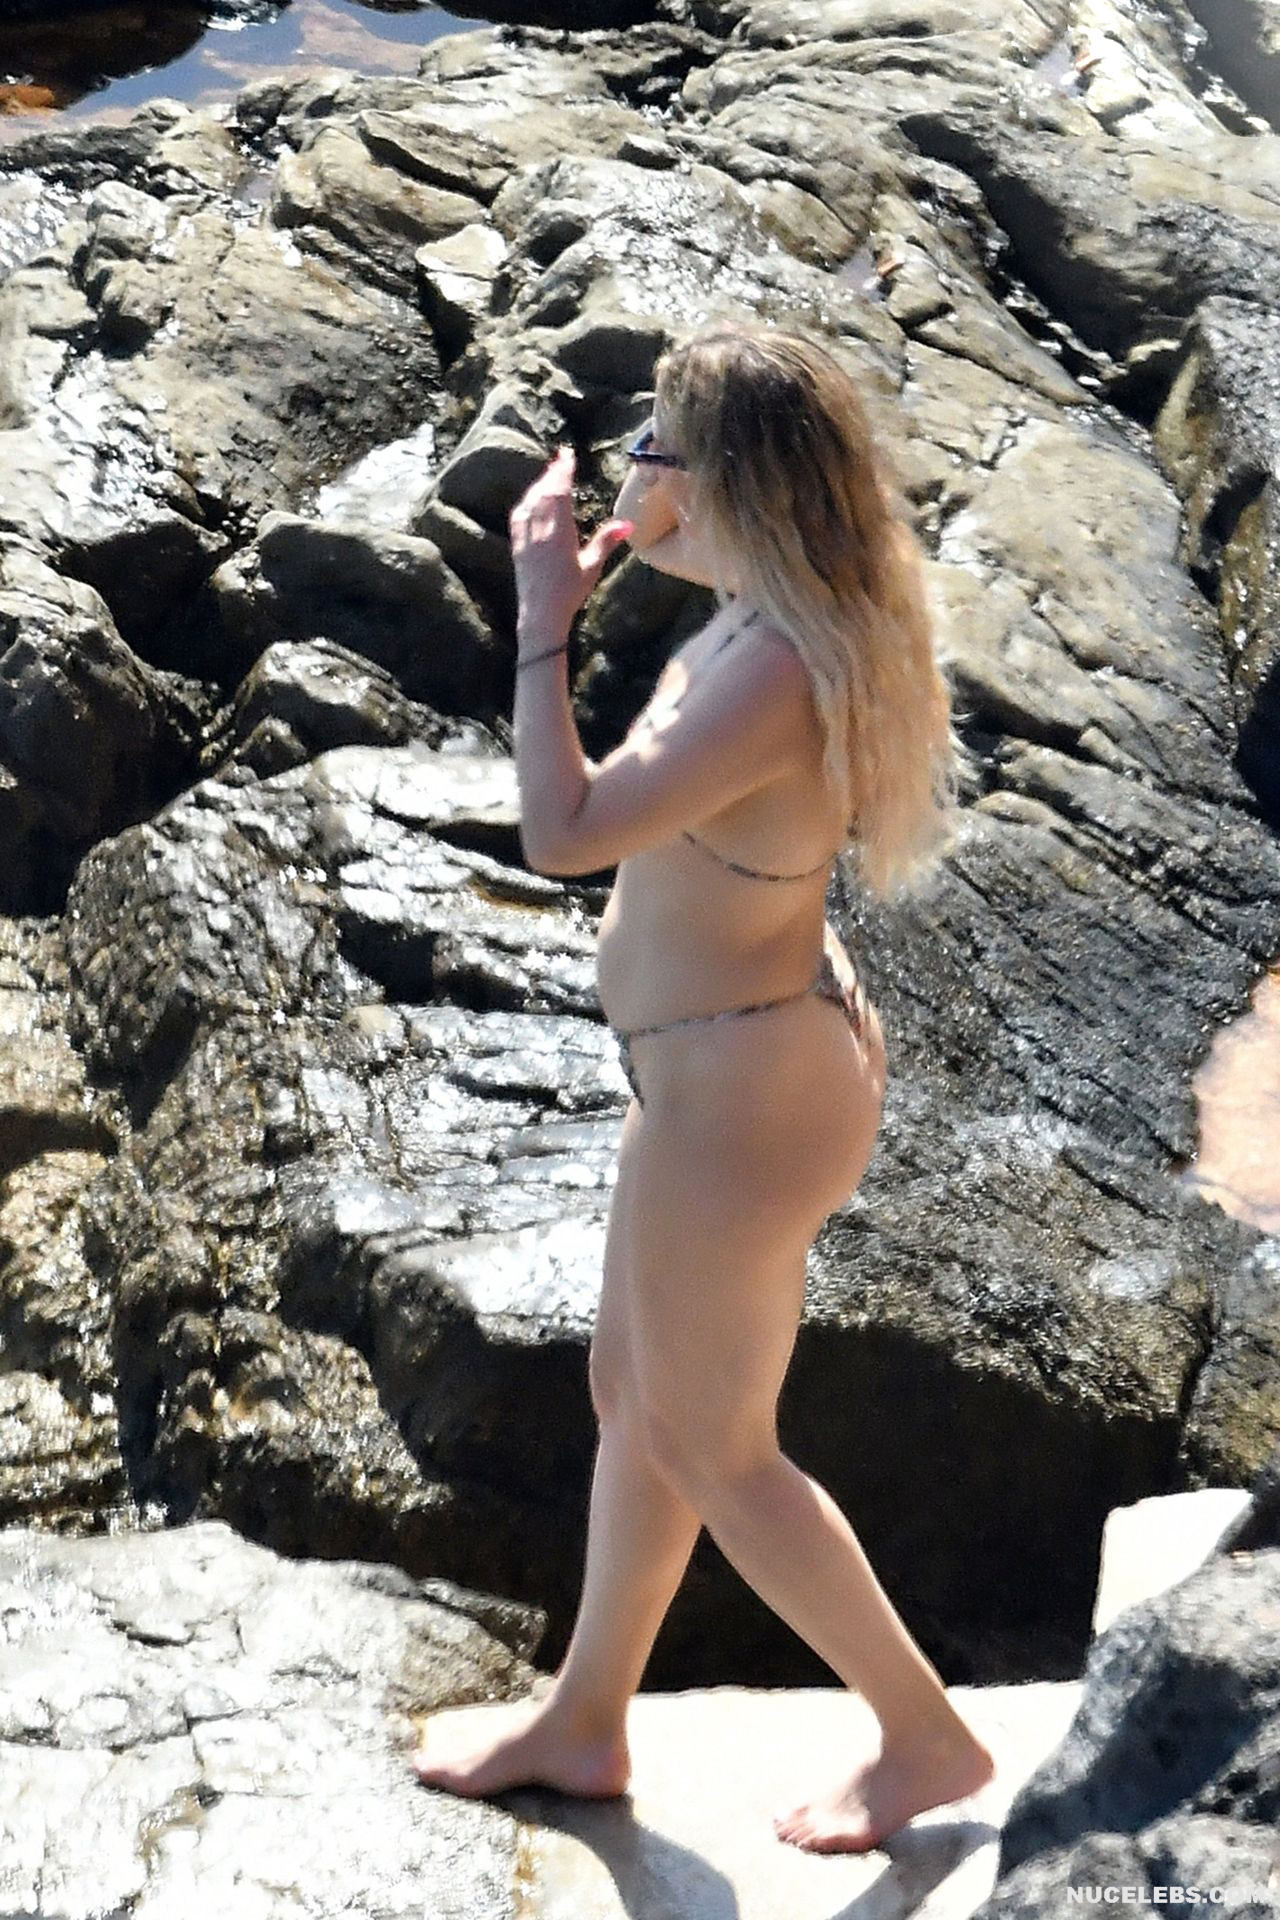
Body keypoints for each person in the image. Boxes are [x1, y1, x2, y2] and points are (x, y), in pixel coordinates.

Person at [411, 317, 994, 1853]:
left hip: (741, 1101)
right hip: (734, 1068)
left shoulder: (772, 670)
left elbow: (564, 831)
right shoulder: (771, 617)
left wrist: (542, 615)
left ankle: (925, 1736)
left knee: (718, 1447)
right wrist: (626, 546)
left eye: (657, 448)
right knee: (639, 1399)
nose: (632, 473)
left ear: (733, 483)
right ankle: (587, 1718)